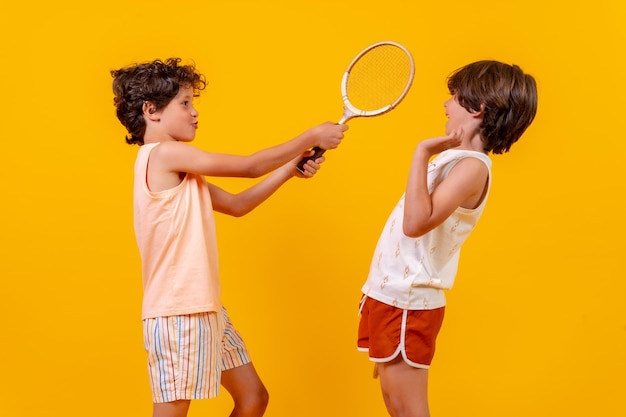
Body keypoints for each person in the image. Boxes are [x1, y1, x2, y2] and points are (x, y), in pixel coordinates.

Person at [111, 57, 348, 417]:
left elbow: (238, 205)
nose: (194, 113)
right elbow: (249, 166)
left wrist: (289, 168)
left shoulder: (183, 172)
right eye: (185, 103)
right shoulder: (162, 155)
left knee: (253, 398)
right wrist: (310, 137)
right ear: (151, 111)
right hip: (179, 313)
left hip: (207, 308)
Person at [357, 60, 537, 417]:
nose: (445, 104)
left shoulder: (472, 166)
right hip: (390, 293)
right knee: (395, 403)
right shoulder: (456, 160)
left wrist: (421, 152)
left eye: (453, 96)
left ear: (478, 107)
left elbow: (415, 223)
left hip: (409, 299)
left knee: (408, 408)